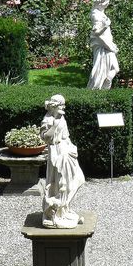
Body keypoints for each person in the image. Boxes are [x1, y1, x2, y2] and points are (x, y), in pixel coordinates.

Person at [40, 94, 85, 229]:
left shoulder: (61, 116)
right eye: (61, 105)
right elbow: (45, 138)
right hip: (57, 153)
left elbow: (66, 134)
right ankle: (56, 212)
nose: (64, 107)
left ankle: (65, 208)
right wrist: (54, 124)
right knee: (61, 183)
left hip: (67, 150)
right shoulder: (48, 119)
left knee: (78, 178)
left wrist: (71, 147)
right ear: (54, 106)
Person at [87, 0, 119, 90]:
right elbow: (96, 32)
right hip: (102, 45)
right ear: (101, 3)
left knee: (114, 69)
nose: (107, 5)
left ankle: (105, 87)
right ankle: (99, 89)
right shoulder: (96, 15)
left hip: (107, 43)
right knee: (102, 70)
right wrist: (105, 26)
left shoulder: (99, 11)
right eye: (107, 3)